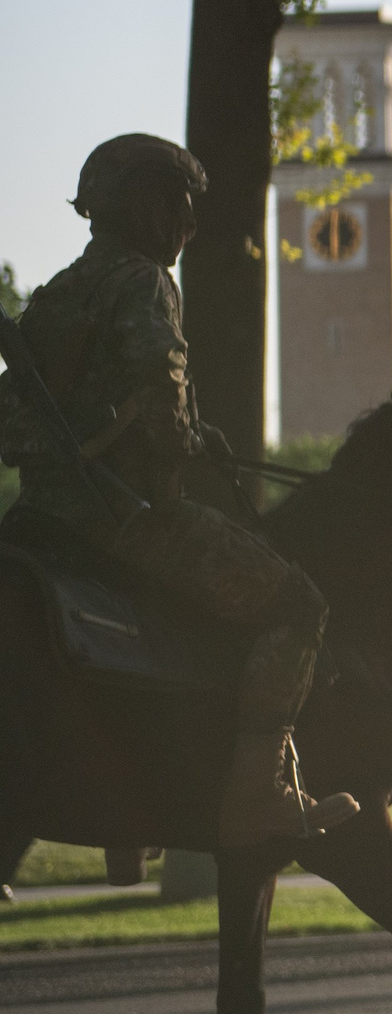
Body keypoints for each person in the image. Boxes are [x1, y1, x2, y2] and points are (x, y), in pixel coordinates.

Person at [0, 134, 359, 844]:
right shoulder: (145, 282)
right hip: (126, 521)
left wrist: (192, 432)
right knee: (298, 605)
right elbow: (162, 395)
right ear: (141, 205)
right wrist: (181, 445)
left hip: (39, 516)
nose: (190, 222)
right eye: (178, 203)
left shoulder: (59, 292)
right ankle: (257, 794)